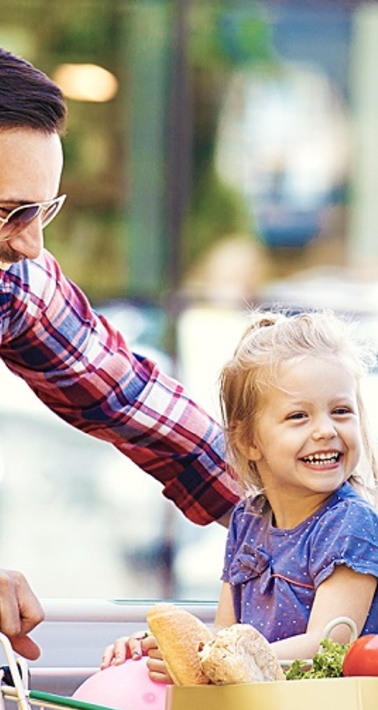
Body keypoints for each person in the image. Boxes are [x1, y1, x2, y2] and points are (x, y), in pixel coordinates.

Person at [0, 46, 239, 660]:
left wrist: (313, 521)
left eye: (42, 209)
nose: (30, 244)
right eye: (8, 213)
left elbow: (132, 401)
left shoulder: (11, 282)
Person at [105, 308, 378, 675]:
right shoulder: (248, 521)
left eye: (341, 411)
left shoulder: (352, 525)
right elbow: (227, 635)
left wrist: (205, 657)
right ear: (248, 441)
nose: (326, 430)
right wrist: (163, 647)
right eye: (299, 416)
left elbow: (327, 649)